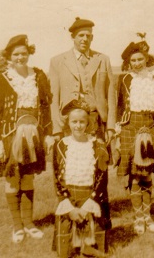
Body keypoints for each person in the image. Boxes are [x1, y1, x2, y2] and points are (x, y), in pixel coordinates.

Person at [47, 17, 116, 233]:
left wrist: (111, 126)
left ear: (92, 37)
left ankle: (101, 224)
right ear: (73, 37)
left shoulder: (102, 59)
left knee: (99, 172)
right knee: (68, 172)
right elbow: (53, 96)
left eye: (88, 36)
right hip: (70, 124)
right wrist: (57, 129)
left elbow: (111, 94)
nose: (84, 39)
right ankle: (69, 224)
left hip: (96, 122)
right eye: (80, 36)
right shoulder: (58, 61)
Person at [0, 34, 52, 243]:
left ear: (29, 53)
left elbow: (45, 105)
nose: (20, 58)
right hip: (10, 135)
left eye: (24, 53)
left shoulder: (39, 75)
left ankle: (29, 224)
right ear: (9, 56)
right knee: (13, 179)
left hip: (34, 134)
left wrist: (48, 134)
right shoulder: (2, 78)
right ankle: (17, 227)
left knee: (29, 178)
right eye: (16, 54)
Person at [115, 35, 154, 235]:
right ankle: (138, 219)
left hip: (150, 126)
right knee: (134, 176)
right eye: (133, 60)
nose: (136, 63)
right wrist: (117, 131)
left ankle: (148, 217)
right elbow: (119, 105)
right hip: (130, 127)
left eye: (140, 59)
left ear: (146, 59)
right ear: (128, 62)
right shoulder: (124, 79)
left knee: (147, 174)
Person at [52, 97, 109, 258]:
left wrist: (88, 205)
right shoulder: (61, 145)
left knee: (92, 250)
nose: (78, 126)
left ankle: (88, 247)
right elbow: (57, 176)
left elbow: (102, 177)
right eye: (74, 122)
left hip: (89, 197)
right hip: (68, 197)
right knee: (65, 253)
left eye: (82, 122)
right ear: (68, 123)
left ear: (88, 123)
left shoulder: (97, 145)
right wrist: (68, 206)